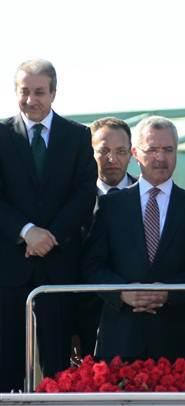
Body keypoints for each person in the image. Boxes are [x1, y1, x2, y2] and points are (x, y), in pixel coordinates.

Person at [83, 116, 185, 363]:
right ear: (136, 153)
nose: (161, 158)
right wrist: (122, 293)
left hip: (177, 342)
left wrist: (170, 292)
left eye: (168, 150)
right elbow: (92, 265)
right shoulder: (109, 206)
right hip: (120, 341)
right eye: (152, 149)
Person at [0, 59, 97, 391]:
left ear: (53, 92)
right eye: (24, 92)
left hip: (59, 267)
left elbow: (85, 195)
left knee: (59, 367)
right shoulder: (0, 134)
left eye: (39, 92)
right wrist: (26, 231)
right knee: (6, 364)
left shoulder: (78, 136)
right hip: (10, 270)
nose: (31, 100)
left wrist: (51, 236)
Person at [71, 118, 137, 360]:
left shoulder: (151, 199)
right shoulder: (71, 201)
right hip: (86, 322)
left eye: (120, 151)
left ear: (132, 153)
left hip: (140, 321)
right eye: (103, 151)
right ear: (90, 152)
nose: (112, 159)